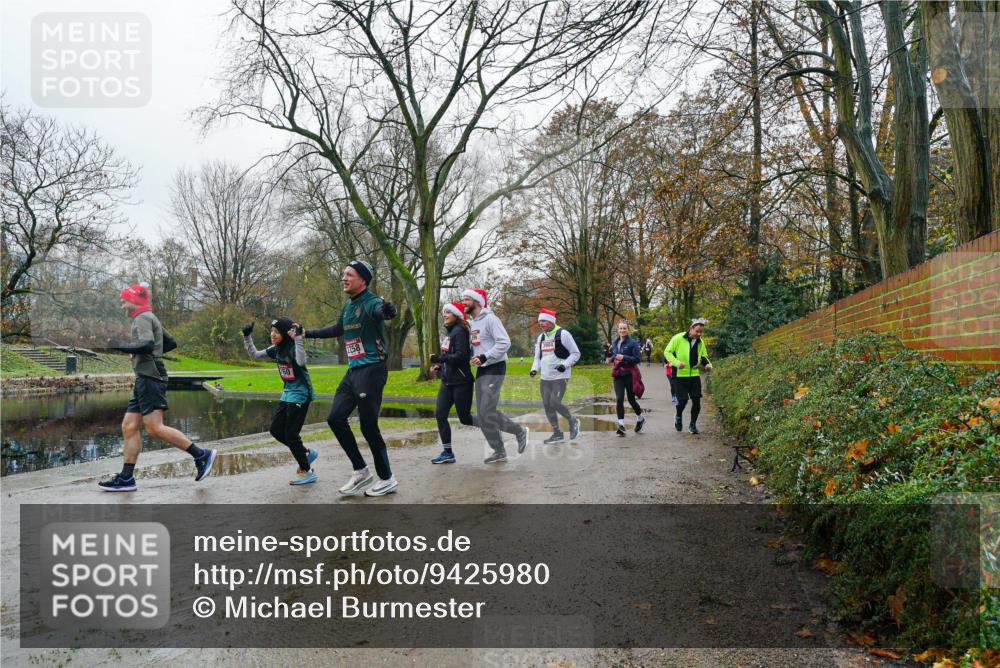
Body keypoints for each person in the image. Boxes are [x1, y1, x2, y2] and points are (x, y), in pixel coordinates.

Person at [99, 283, 216, 491]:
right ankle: (126, 478)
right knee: (129, 426)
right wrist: (138, 353)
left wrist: (121, 345)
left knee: (154, 427)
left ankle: (202, 455)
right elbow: (169, 342)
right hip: (145, 376)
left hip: (150, 377)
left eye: (124, 301)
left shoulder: (142, 318)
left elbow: (147, 345)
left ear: (134, 301)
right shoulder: (149, 316)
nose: (122, 306)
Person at [304, 260, 399, 496]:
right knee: (335, 418)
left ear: (363, 280)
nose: (344, 278)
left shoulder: (371, 302)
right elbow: (338, 329)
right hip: (354, 371)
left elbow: (381, 310)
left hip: (372, 370)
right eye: (343, 274)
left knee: (368, 427)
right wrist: (307, 333)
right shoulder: (349, 306)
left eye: (349, 275)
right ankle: (361, 471)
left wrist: (387, 311)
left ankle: (387, 478)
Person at [242, 317, 318, 485]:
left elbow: (301, 361)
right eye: (271, 331)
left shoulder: (292, 348)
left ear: (284, 333)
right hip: (287, 393)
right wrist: (247, 336)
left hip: (301, 394)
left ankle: (307, 471)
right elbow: (254, 355)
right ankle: (305, 454)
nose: (273, 334)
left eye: (276, 332)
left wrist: (297, 338)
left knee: (291, 435)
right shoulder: (275, 349)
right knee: (276, 430)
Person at [463, 288, 529, 463]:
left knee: (486, 410)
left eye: (467, 299)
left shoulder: (491, 319)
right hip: (483, 369)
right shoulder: (473, 323)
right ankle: (499, 450)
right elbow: (478, 345)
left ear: (477, 302)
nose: (464, 303)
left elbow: (504, 342)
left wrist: (485, 356)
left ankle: (519, 431)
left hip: (495, 367)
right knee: (482, 413)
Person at [428, 301, 475, 464]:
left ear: (456, 315)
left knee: (465, 418)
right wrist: (439, 368)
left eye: (448, 312)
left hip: (462, 382)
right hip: (447, 382)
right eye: (443, 313)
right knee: (440, 414)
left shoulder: (460, 331)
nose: (444, 315)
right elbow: (450, 359)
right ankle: (447, 452)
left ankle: (493, 425)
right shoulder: (450, 333)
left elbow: (462, 357)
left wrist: (438, 358)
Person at [530, 309, 581, 444]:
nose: (541, 323)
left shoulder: (563, 334)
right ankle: (557, 433)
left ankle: (573, 421)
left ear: (551, 321)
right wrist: (534, 369)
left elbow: (575, 353)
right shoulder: (541, 337)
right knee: (547, 405)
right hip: (545, 377)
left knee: (555, 402)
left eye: (544, 321)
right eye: (540, 321)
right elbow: (537, 357)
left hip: (560, 375)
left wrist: (564, 365)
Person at [664, 317, 713, 434]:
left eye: (701, 332)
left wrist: (707, 364)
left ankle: (692, 425)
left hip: (694, 375)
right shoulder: (678, 338)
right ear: (691, 329)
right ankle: (678, 415)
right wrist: (676, 363)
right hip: (679, 375)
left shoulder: (700, 342)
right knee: (683, 400)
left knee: (696, 401)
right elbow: (667, 352)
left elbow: (703, 356)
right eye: (697, 331)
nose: (699, 334)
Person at [610, 321, 645, 438]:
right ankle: (621, 425)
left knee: (631, 400)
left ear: (628, 330)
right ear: (618, 330)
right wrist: (611, 359)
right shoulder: (615, 342)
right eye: (620, 329)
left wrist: (624, 357)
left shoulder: (633, 343)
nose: (622, 331)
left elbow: (637, 359)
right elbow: (615, 355)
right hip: (618, 374)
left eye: (624, 328)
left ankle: (640, 418)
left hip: (630, 374)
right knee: (619, 398)